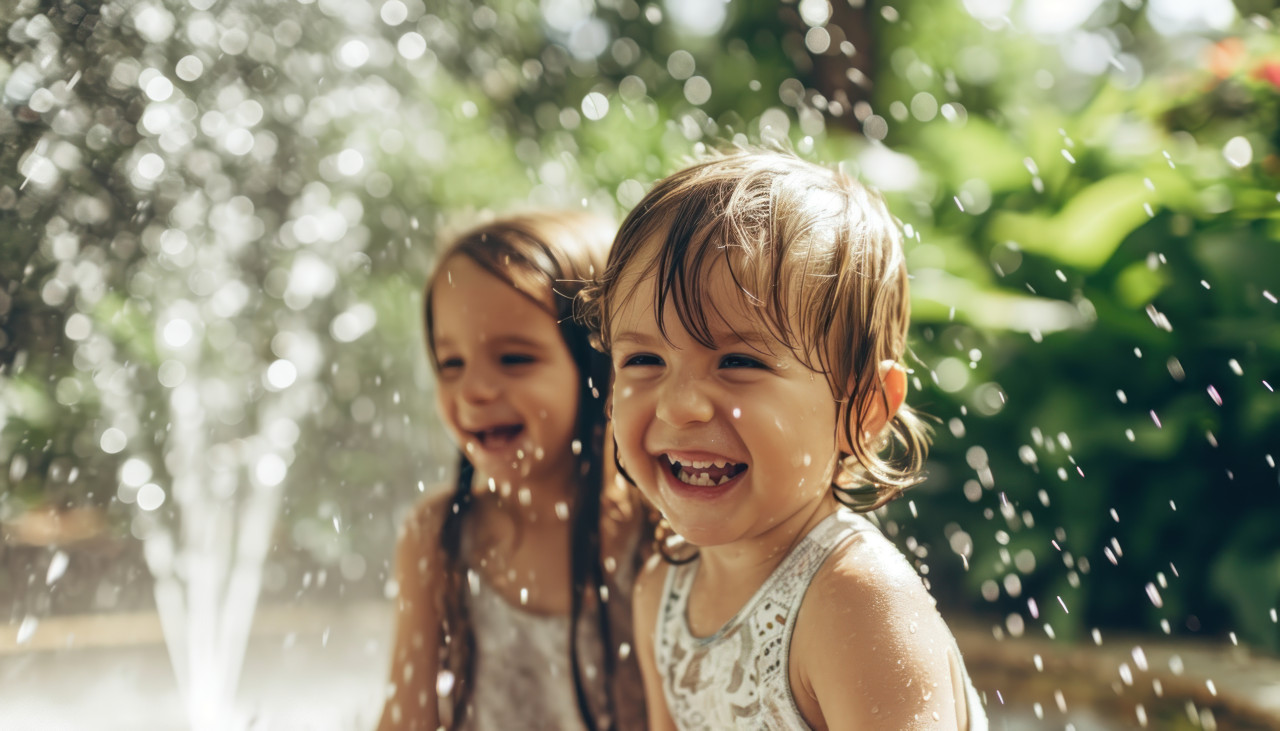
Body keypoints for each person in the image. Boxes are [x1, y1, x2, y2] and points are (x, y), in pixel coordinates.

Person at [582, 149, 988, 730]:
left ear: (862, 407)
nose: (680, 404)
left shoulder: (854, 600)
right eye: (643, 358)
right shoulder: (662, 593)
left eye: (738, 360)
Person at [378, 211, 649, 731]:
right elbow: (404, 719)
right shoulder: (440, 537)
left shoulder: (655, 536)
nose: (473, 389)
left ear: (603, 365)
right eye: (450, 363)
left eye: (514, 358)